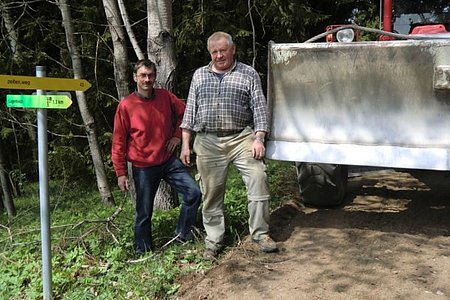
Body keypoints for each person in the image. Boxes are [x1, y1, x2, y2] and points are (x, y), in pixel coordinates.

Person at [180, 31, 277, 258]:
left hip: (242, 137)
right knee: (211, 193)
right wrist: (185, 145)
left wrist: (259, 138)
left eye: (223, 50)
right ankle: (213, 241)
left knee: (258, 178)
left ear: (232, 50)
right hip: (207, 141)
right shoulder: (199, 75)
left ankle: (261, 233)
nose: (219, 55)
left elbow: (260, 109)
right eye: (214, 51)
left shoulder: (248, 73)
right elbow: (189, 113)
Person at [111, 59, 201, 254]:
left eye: (150, 75)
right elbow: (118, 141)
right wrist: (120, 173)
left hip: (167, 160)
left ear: (155, 76)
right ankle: (143, 251)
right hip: (143, 166)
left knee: (193, 193)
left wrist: (177, 137)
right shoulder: (126, 106)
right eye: (142, 75)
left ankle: (183, 235)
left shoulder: (165, 96)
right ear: (135, 77)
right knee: (144, 212)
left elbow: (186, 114)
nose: (147, 79)